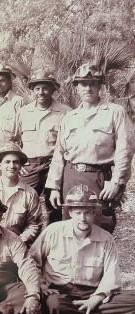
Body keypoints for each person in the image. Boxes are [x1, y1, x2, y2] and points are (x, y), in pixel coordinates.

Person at [30, 184, 135, 314]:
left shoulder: (106, 239)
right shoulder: (53, 231)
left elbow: (111, 275)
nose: (83, 218)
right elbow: (32, 261)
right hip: (60, 293)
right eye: (78, 212)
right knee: (53, 304)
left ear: (94, 212)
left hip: (91, 293)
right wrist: (41, 285)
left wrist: (95, 299)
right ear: (70, 212)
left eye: (87, 212)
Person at [46, 64, 134, 232]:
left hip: (99, 177)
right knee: (70, 228)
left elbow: (125, 150)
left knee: (99, 228)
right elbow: (59, 154)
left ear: (100, 85)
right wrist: (54, 187)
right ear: (76, 88)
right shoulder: (69, 118)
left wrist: (116, 182)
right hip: (70, 176)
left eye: (92, 83)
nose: (88, 88)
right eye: (83, 84)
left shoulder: (115, 112)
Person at [14, 70, 72, 196]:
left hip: (54, 165)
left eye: (45, 88)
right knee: (23, 202)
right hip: (29, 166)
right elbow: (14, 139)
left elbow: (71, 144)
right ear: (33, 90)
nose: (41, 92)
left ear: (52, 90)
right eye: (37, 89)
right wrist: (18, 161)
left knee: (54, 205)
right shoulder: (23, 112)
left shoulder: (66, 113)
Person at [0, 142, 41, 247]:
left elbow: (34, 225)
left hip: (18, 245)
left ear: (20, 166)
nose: (11, 166)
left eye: (15, 162)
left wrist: (17, 243)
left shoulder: (30, 194)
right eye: (7, 162)